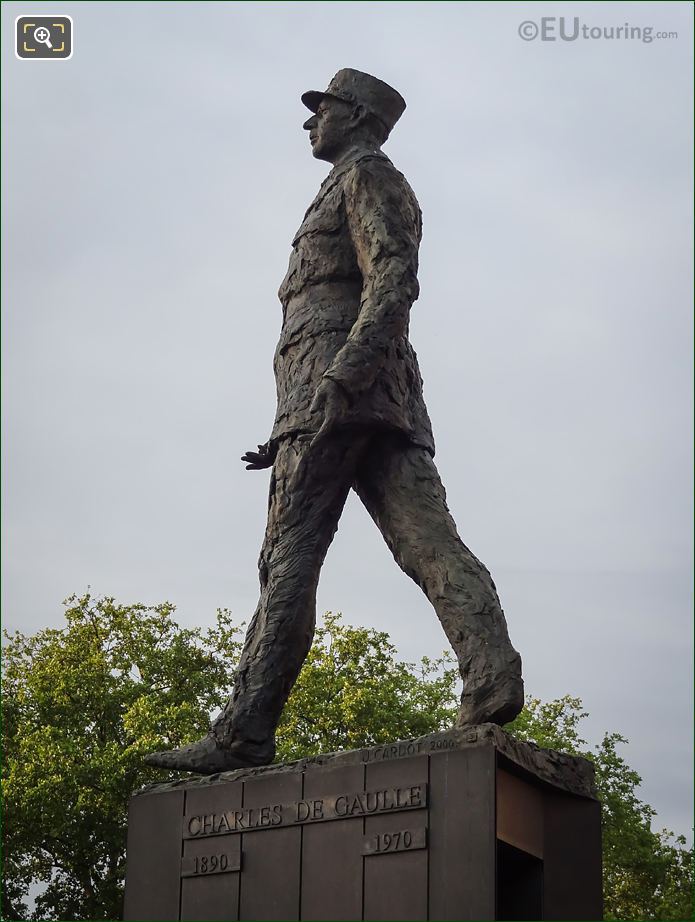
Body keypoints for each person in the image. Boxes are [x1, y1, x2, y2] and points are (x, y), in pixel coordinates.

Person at [146, 69, 523, 774]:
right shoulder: (350, 180)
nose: (308, 122)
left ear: (352, 115)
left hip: (343, 396)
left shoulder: (368, 177)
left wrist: (338, 379)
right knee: (425, 541)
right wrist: (291, 416)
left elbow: (392, 278)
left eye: (319, 110)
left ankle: (244, 733)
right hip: (347, 399)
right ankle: (491, 678)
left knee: (287, 563)